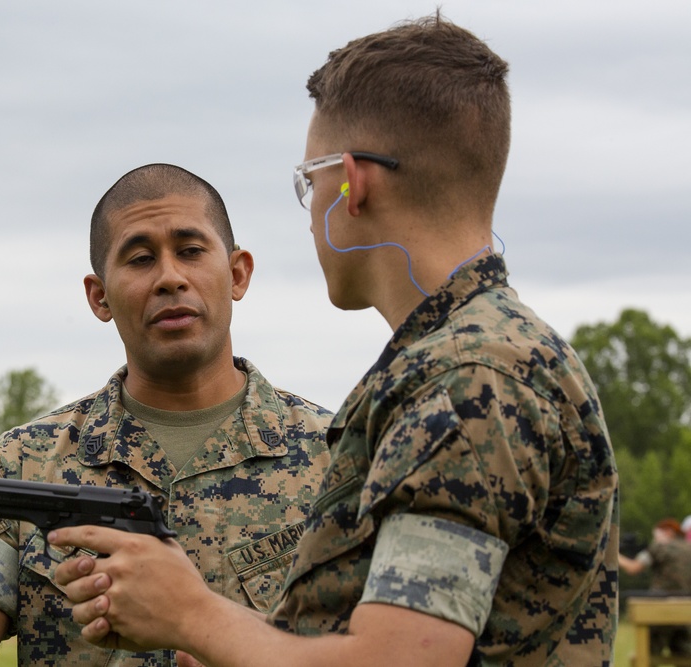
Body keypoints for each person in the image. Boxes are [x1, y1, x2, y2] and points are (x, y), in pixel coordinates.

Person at [52, 14, 619, 666]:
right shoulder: (473, 357)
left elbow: (398, 660)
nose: (311, 206)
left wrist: (193, 612)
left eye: (309, 179)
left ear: (352, 182)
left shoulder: (467, 379)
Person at [0, 163, 333, 667]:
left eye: (190, 251)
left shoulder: (336, 457)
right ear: (100, 297)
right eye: (140, 259)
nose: (170, 278)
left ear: (237, 274)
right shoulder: (23, 464)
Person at [619, 518, 691, 656]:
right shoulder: (689, 548)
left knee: (649, 655)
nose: (655, 539)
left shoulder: (660, 548)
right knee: (684, 656)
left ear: (668, 532)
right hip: (687, 612)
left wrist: (613, 556)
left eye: (656, 534)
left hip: (659, 610)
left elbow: (633, 568)